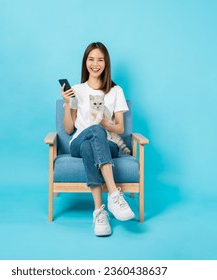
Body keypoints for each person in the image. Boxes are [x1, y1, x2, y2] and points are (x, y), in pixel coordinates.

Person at [61, 42, 134, 237]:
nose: (95, 64)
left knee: (90, 144)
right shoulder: (76, 90)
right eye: (91, 59)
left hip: (108, 143)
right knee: (90, 135)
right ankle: (113, 194)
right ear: (85, 62)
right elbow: (69, 128)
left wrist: (105, 123)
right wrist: (68, 104)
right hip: (77, 141)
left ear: (106, 63)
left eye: (100, 60)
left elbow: (120, 127)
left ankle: (99, 213)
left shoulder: (115, 90)